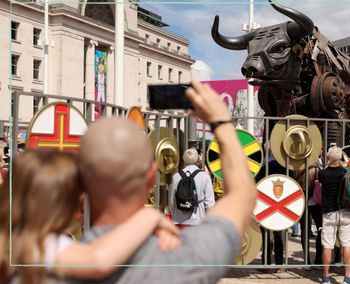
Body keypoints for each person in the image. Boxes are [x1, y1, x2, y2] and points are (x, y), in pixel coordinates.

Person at [60, 80, 256, 284]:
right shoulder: (185, 259)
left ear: (81, 180)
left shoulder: (49, 265)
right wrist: (220, 122)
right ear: (152, 175)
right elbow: (242, 196)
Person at [0, 149, 180, 284]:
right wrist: (149, 217)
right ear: (58, 206)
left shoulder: (11, 242)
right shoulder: (39, 246)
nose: (80, 213)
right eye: (77, 202)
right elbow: (98, 260)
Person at [318, 146, 350, 284]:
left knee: (328, 245)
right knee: (346, 244)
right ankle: (348, 276)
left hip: (329, 212)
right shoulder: (346, 172)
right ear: (340, 158)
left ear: (328, 158)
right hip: (345, 210)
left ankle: (326, 276)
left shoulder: (322, 174)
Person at [169, 148, 215, 226]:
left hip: (178, 221)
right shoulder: (204, 176)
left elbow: (171, 201)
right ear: (197, 159)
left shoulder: (176, 177)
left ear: (183, 159)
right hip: (198, 221)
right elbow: (210, 203)